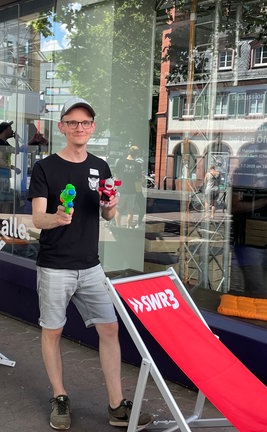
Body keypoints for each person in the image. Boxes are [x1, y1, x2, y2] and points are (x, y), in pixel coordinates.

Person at [28, 97, 153, 431]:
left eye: (85, 123)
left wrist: (111, 203)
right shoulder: (45, 168)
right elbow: (37, 220)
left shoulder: (100, 167)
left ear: (92, 127)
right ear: (62, 127)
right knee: (52, 332)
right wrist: (57, 217)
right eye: (72, 122)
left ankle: (116, 406)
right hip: (55, 265)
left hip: (91, 266)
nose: (79, 128)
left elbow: (108, 213)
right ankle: (60, 396)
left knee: (109, 329)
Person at [230, 157, 267, 295]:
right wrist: (264, 201)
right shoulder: (243, 175)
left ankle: (249, 309)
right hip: (247, 239)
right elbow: (235, 206)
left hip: (264, 238)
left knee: (256, 285)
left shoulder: (266, 174)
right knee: (257, 287)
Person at [0, 121, 20, 214]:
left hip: (5, 175)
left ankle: (4, 222)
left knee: (6, 201)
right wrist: (12, 167)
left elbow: (16, 151)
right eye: (10, 129)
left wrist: (16, 140)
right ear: (5, 130)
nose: (12, 131)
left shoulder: (5, 144)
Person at [115, 145, 144, 228]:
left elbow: (116, 175)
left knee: (119, 209)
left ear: (128, 152)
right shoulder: (137, 165)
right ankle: (128, 227)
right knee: (130, 211)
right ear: (136, 154)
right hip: (132, 191)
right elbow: (139, 178)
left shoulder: (120, 162)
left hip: (121, 189)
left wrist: (116, 187)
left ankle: (118, 227)